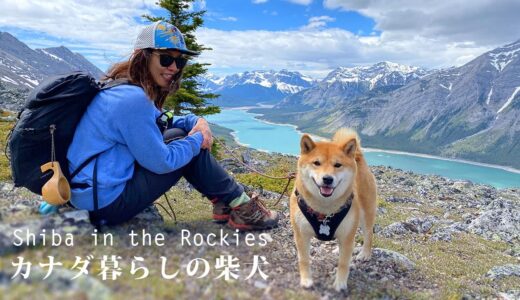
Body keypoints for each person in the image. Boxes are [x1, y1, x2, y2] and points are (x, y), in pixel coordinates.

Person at [63, 21, 279, 230]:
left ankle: (225, 203)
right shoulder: (132, 100)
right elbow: (163, 163)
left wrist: (197, 122)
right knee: (186, 144)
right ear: (143, 57)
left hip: (90, 195)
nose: (174, 68)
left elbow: (163, 119)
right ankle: (241, 206)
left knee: (180, 134)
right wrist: (197, 139)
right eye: (166, 59)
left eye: (180, 61)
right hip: (104, 206)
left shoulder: (123, 89)